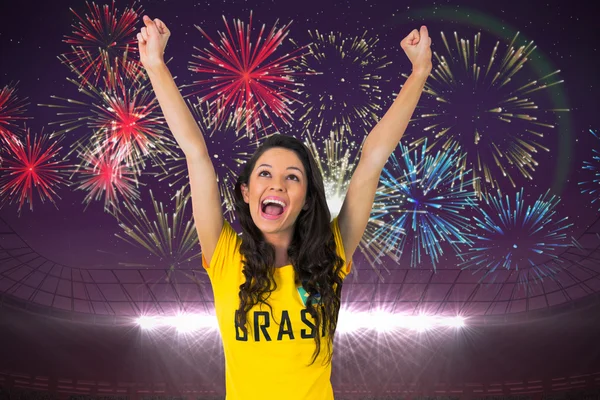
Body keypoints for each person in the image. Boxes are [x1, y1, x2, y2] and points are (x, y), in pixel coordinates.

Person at [137, 14, 432, 400]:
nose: (277, 183)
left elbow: (372, 159)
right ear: (245, 192)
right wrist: (155, 65)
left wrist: (420, 71)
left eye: (292, 176)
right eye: (265, 174)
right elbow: (196, 153)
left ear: (307, 198)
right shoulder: (225, 256)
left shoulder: (332, 253)